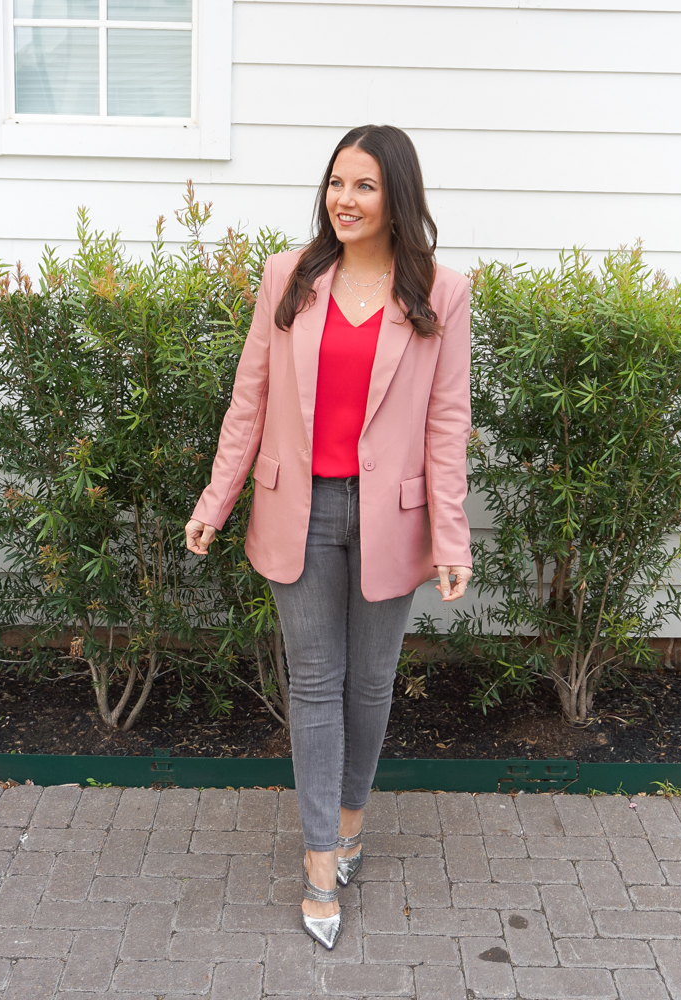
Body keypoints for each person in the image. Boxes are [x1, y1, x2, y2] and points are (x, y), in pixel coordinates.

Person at [185, 124, 472, 949]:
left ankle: (350, 824)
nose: (343, 199)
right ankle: (318, 862)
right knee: (314, 684)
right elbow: (249, 400)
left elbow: (447, 424)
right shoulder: (290, 277)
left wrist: (451, 537)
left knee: (370, 683)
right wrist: (216, 498)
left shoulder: (440, 292)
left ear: (398, 198)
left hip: (395, 515)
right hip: (296, 508)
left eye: (365, 187)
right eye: (335, 182)